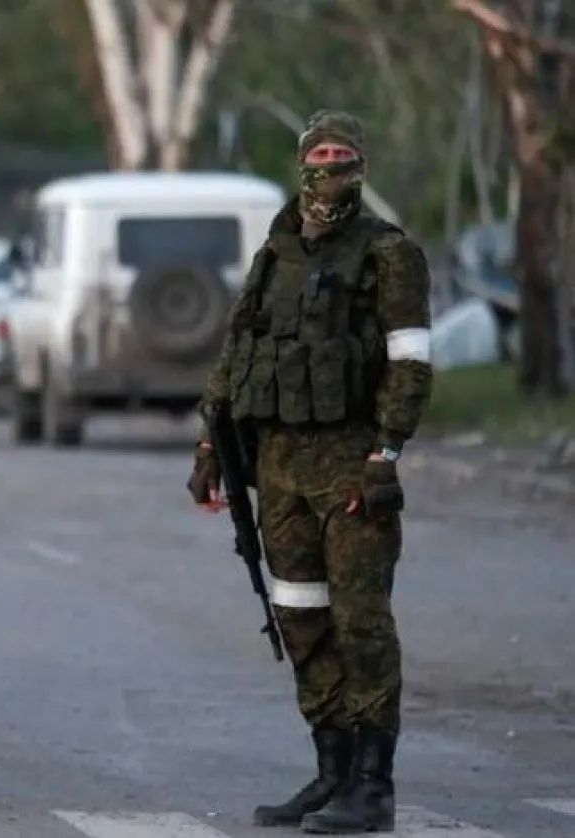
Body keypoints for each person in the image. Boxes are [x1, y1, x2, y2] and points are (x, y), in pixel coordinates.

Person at [187, 110, 433, 835]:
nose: (329, 164)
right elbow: (240, 348)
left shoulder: (388, 253)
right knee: (299, 617)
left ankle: (373, 785)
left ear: (360, 162)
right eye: (319, 152)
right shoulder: (278, 245)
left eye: (342, 153)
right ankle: (330, 769)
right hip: (280, 467)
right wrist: (212, 443)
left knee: (361, 623)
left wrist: (386, 454)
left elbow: (410, 360)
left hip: (352, 464)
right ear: (303, 161)